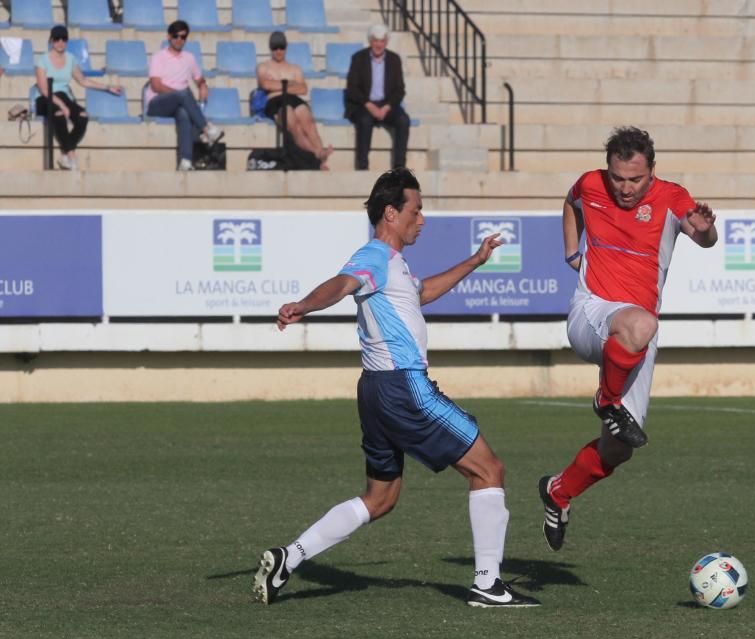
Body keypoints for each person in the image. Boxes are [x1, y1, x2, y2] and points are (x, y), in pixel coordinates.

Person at [253, 168, 540, 609]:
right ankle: (488, 584)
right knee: (489, 470)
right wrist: (304, 306)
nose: (422, 219)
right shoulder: (372, 257)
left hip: (373, 390)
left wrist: (475, 261)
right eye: (417, 209)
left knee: (380, 497)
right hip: (404, 387)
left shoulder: (393, 266)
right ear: (391, 213)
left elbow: (421, 293)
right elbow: (342, 283)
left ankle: (288, 558)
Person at [538, 126, 719, 552]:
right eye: (618, 178)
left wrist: (707, 230)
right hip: (592, 313)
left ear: (651, 171)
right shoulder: (590, 184)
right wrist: (571, 252)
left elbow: (704, 238)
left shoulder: (673, 198)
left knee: (618, 448)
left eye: (635, 180)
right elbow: (571, 202)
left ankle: (558, 491)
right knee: (640, 326)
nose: (624, 188)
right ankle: (607, 398)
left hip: (636, 335)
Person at [34, 25, 122, 171]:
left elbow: (83, 80)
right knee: (60, 114)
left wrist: (107, 87)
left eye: (64, 39)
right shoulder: (42, 60)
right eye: (57, 39)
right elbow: (44, 90)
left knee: (83, 116)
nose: (61, 42)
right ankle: (72, 156)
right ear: (51, 40)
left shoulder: (70, 59)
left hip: (63, 96)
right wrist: (62, 105)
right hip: (46, 99)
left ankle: (64, 151)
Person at [145, 20, 224, 171]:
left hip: (179, 104)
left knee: (183, 114)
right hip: (157, 102)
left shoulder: (189, 58)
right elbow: (156, 85)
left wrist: (203, 85)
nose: (180, 40)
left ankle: (186, 160)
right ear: (169, 36)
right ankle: (206, 129)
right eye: (176, 36)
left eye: (183, 37)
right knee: (183, 94)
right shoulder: (158, 57)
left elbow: (198, 78)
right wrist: (179, 94)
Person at [255, 31, 333, 169]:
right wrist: (290, 83)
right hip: (275, 101)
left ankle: (320, 156)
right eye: (275, 48)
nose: (279, 51)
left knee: (308, 122)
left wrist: (278, 85)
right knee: (293, 124)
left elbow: (303, 88)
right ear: (270, 49)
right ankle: (318, 154)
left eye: (281, 47)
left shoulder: (294, 68)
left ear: (286, 47)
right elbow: (265, 84)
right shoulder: (263, 67)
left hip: (293, 99)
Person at [344, 23, 410, 171]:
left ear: (386, 42)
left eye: (382, 41)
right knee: (365, 120)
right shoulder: (358, 58)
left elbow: (400, 90)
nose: (378, 45)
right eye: (375, 40)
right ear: (370, 41)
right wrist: (369, 105)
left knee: (403, 120)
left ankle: (399, 166)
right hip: (364, 104)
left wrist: (387, 107)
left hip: (386, 104)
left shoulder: (394, 60)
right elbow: (352, 88)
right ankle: (362, 165)